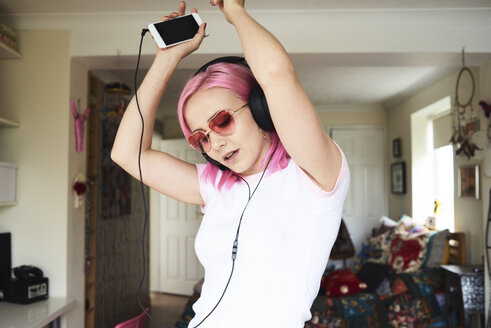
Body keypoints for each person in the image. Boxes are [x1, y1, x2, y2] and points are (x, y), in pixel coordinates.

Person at [111, 1, 350, 327]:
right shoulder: (215, 185)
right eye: (201, 138)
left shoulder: (313, 175)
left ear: (258, 107)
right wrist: (166, 60)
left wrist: (235, 12)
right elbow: (126, 154)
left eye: (222, 121)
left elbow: (277, 74)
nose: (216, 143)